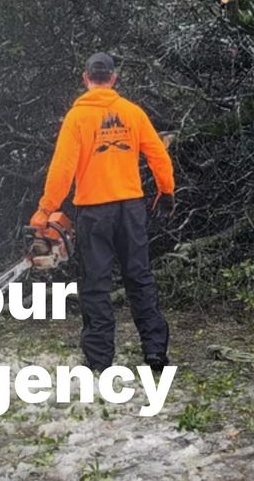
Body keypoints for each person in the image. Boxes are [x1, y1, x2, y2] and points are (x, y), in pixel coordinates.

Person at [31, 52, 175, 370]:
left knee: (95, 283)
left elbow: (62, 170)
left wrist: (46, 210)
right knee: (139, 277)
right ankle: (155, 352)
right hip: (131, 209)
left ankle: (99, 360)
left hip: (94, 211)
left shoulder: (77, 118)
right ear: (113, 79)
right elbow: (159, 156)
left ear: (86, 79)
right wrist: (166, 191)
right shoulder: (132, 113)